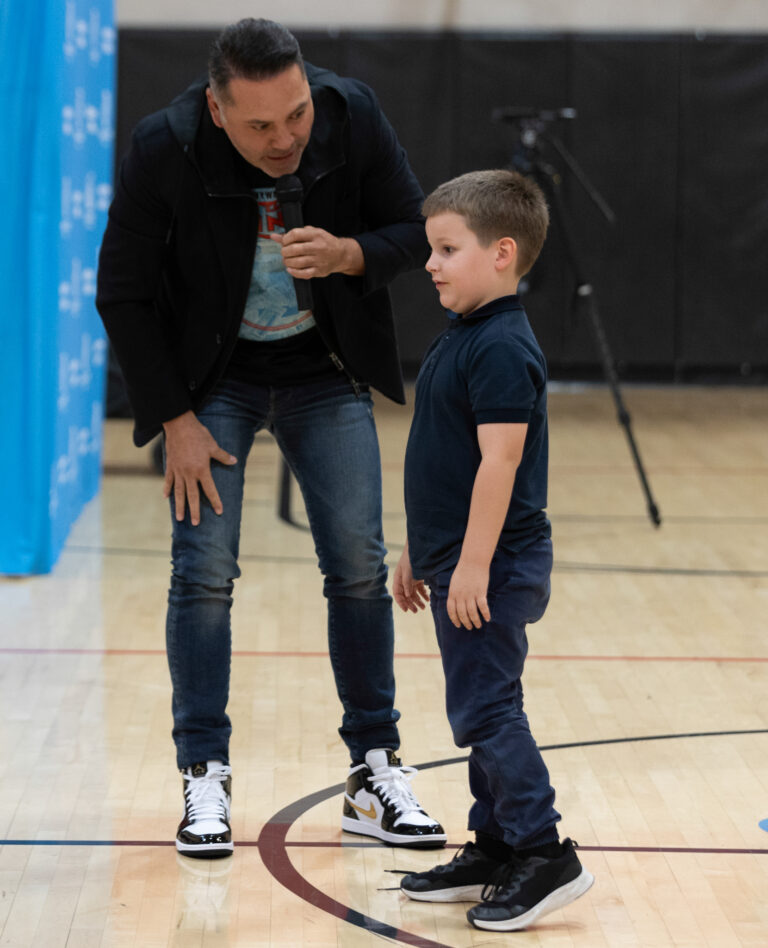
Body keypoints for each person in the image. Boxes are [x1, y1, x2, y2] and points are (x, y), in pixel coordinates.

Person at [96, 17, 446, 858]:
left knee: (360, 569)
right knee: (204, 573)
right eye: (261, 125)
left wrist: (352, 254)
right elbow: (123, 292)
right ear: (217, 111)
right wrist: (173, 419)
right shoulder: (164, 145)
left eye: (295, 114)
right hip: (209, 383)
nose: (287, 138)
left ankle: (373, 770)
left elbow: (413, 229)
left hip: (322, 369)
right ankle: (204, 774)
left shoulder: (350, 113)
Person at [392, 169, 594, 931]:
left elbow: (498, 465)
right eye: (430, 248)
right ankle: (496, 845)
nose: (431, 264)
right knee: (479, 707)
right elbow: (439, 462)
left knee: (488, 710)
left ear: (502, 253)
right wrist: (421, 550)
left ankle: (544, 853)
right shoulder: (467, 332)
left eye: (447, 249)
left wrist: (472, 563)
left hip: (494, 564)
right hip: (456, 558)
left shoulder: (504, 346)